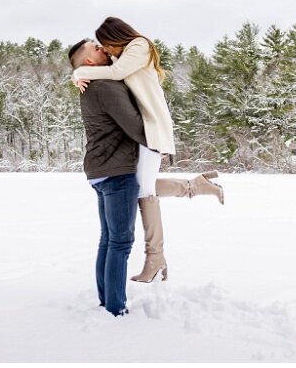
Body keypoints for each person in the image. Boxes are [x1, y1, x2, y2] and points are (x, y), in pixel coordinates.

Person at [70, 17, 223, 284]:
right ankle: (195, 187)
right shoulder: (120, 59)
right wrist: (78, 73)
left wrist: (81, 72)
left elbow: (114, 74)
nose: (104, 50)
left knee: (143, 191)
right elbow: (108, 72)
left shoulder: (138, 46)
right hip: (143, 129)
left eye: (104, 43)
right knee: (142, 187)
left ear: (115, 36)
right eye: (100, 47)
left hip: (151, 128)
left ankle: (155, 257)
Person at [69, 40, 145, 316]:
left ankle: (106, 300)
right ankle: (115, 308)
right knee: (120, 242)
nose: (103, 48)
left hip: (100, 171)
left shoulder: (92, 83)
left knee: (109, 239)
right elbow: (136, 127)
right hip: (117, 171)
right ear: (89, 62)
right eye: (96, 48)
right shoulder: (105, 86)